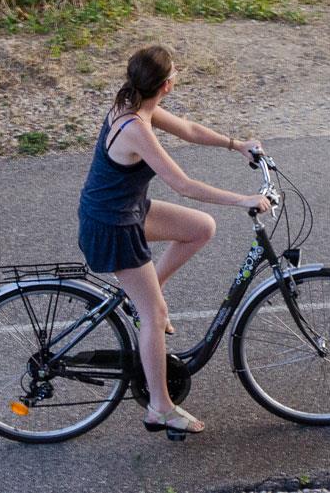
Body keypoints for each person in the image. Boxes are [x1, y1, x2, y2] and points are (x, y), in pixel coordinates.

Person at [76, 44, 272, 438]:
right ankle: (160, 408)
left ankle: (152, 294)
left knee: (200, 228)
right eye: (176, 71)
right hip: (113, 226)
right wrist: (243, 199)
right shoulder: (134, 127)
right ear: (166, 84)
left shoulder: (135, 102)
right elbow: (183, 184)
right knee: (152, 316)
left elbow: (188, 130)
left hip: (124, 209)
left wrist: (238, 145)